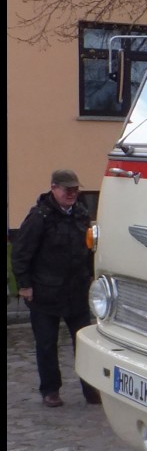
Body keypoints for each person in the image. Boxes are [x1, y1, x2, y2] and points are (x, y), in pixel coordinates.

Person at [11, 169, 102, 407]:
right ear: (54, 188)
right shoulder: (39, 218)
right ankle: (50, 390)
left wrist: (91, 276)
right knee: (47, 343)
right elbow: (21, 253)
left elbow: (89, 249)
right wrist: (25, 285)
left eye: (75, 189)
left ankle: (91, 390)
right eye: (67, 189)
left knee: (85, 342)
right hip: (44, 292)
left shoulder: (81, 214)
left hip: (76, 290)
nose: (72, 193)